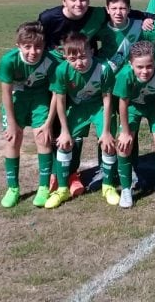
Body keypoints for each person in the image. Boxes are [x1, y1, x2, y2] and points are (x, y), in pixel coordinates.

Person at [46, 32, 117, 209]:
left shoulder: (104, 68)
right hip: (76, 109)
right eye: (73, 58)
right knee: (64, 143)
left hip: (99, 107)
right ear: (65, 56)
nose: (79, 62)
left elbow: (107, 99)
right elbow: (60, 101)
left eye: (83, 56)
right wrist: (63, 130)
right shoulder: (62, 70)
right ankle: (62, 189)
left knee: (108, 143)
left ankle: (108, 187)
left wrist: (107, 131)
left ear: (92, 51)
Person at [0, 21, 58, 208]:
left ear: (44, 46)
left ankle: (43, 187)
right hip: (17, 99)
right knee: (13, 140)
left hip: (39, 98)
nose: (33, 51)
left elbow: (56, 93)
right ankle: (13, 188)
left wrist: (48, 123)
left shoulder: (51, 61)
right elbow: (6, 93)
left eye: (38, 47)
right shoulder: (9, 61)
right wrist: (12, 122)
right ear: (18, 46)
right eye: (27, 47)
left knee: (43, 139)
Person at [113, 41, 155, 209]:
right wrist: (124, 132)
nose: (145, 71)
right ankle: (126, 189)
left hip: (153, 108)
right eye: (140, 67)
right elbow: (122, 104)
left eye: (149, 66)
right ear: (131, 64)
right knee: (124, 145)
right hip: (132, 107)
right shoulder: (125, 75)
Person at [37, 0, 148, 55]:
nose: (78, 4)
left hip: (89, 69)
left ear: (89, 0)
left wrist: (147, 19)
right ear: (63, 1)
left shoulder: (98, 14)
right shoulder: (47, 18)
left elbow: (128, 12)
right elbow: (37, 43)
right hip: (59, 70)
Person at [96, 0, 147, 73]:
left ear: (129, 9)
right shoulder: (101, 29)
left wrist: (148, 20)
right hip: (107, 75)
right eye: (114, 8)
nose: (118, 13)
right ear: (107, 9)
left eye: (122, 8)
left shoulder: (139, 25)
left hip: (130, 76)